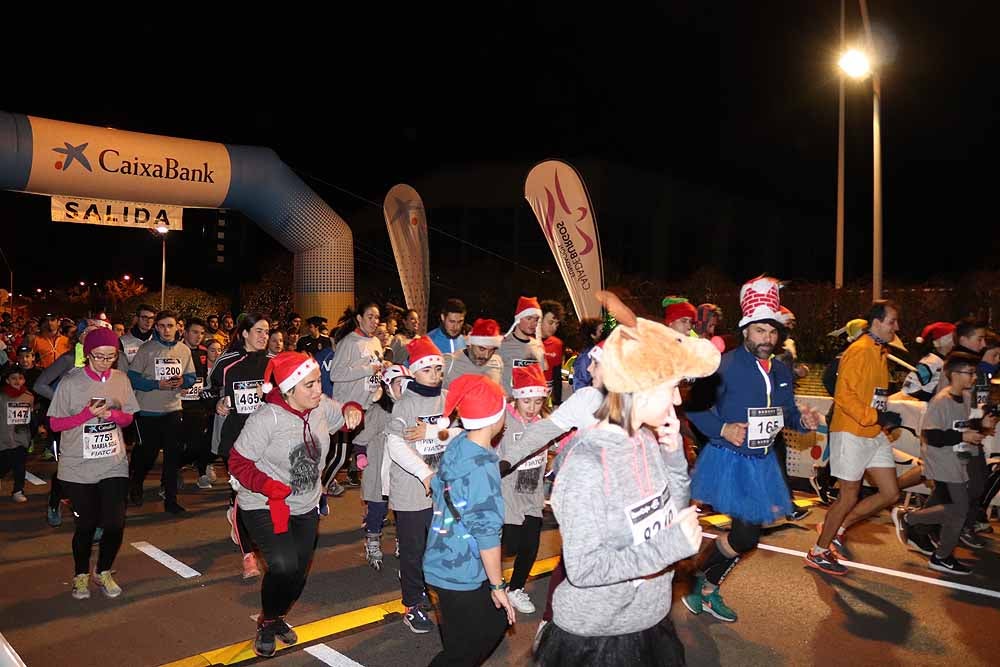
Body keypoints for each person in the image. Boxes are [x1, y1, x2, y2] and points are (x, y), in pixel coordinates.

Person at [535, 290, 719, 666]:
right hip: (599, 639)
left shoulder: (648, 441)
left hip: (651, 622)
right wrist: (670, 547)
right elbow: (585, 570)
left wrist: (673, 460)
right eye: (672, 388)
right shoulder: (587, 465)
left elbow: (674, 507)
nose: (678, 401)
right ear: (642, 387)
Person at [685, 277, 823, 621]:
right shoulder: (723, 364)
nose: (767, 339)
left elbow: (785, 412)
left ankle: (705, 585)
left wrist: (802, 420)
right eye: (760, 331)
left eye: (772, 332)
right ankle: (697, 577)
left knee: (747, 535)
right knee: (746, 535)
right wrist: (723, 428)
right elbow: (695, 409)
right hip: (730, 460)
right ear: (746, 330)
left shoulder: (780, 370)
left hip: (762, 462)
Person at [227, 351, 361, 657]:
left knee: (298, 572)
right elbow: (237, 462)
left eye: (318, 383)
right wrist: (266, 485)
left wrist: (353, 410)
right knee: (283, 565)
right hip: (264, 502)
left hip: (305, 503)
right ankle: (267, 622)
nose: (318, 390)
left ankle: (274, 617)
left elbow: (346, 412)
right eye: (310, 385)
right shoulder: (267, 418)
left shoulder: (320, 406)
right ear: (289, 389)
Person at [423, 374, 515, 665]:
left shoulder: (460, 445)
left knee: (461, 636)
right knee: (468, 646)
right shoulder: (482, 468)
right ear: (495, 417)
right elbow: (487, 534)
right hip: (461, 570)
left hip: (440, 557)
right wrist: (497, 585)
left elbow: (439, 486)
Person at [808, 300, 903, 574]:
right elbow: (844, 394)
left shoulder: (880, 352)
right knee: (848, 496)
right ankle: (818, 550)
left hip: (873, 432)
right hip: (850, 431)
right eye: (892, 321)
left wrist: (882, 417)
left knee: (890, 492)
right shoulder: (859, 351)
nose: (896, 327)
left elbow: (874, 395)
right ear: (876, 322)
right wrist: (875, 416)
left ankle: (839, 527)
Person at [48, 327, 139, 599]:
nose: (104, 361)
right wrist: (86, 415)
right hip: (78, 464)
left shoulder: (121, 379)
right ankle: (80, 575)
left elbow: (129, 416)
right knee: (86, 524)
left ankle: (104, 571)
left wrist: (112, 415)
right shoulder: (71, 381)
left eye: (110, 357)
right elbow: (54, 423)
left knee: (114, 522)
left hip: (113, 461)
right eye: (98, 356)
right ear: (87, 354)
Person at [891, 351, 992, 575]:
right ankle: (940, 555)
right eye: (969, 373)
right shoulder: (941, 401)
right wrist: (963, 437)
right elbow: (932, 436)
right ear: (954, 374)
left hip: (957, 459)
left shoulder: (965, 398)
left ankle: (909, 517)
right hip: (942, 460)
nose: (973, 377)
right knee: (960, 509)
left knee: (957, 510)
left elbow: (966, 425)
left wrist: (982, 424)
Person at [385, 337, 445, 634]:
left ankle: (435, 590)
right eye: (428, 369)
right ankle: (412, 604)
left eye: (438, 368)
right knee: (413, 550)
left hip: (442, 490)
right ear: (414, 371)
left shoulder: (447, 398)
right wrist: (423, 473)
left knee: (439, 545)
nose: (434, 374)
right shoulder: (405, 404)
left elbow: (463, 430)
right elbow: (395, 443)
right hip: (411, 493)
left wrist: (435, 429)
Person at [209, 313, 273, 578]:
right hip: (236, 440)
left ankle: (245, 525)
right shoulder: (227, 361)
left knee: (265, 496)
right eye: (258, 331)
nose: (263, 336)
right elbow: (208, 389)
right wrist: (217, 403)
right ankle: (249, 556)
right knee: (243, 497)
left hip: (268, 440)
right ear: (244, 333)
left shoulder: (273, 363)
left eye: (267, 332)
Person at [127, 311, 196, 514]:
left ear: (177, 328)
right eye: (163, 326)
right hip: (148, 411)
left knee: (173, 457)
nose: (167, 330)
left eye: (170, 326)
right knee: (147, 456)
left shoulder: (184, 350)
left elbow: (191, 376)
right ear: (156, 327)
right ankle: (136, 483)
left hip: (173, 410)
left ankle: (171, 499)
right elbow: (132, 378)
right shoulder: (146, 350)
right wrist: (157, 384)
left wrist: (183, 381)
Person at [498, 365, 552, 615]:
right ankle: (487, 577)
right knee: (510, 545)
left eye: (538, 401)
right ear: (516, 398)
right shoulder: (504, 421)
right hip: (507, 493)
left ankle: (515, 588)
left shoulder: (545, 424)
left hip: (532, 492)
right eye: (527, 401)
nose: (532, 407)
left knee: (530, 544)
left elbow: (561, 445)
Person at [325, 302, 384, 497]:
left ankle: (373, 504)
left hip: (369, 407)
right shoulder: (348, 342)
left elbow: (375, 370)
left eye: (377, 318)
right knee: (340, 457)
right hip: (347, 408)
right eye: (370, 317)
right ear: (359, 318)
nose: (375, 321)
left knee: (371, 456)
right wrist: (367, 369)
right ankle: (317, 492)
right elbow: (335, 374)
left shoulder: (376, 342)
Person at [356, 364, 411, 569]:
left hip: (402, 467)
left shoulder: (411, 408)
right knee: (378, 508)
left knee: (404, 508)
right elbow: (362, 439)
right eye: (399, 384)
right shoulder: (379, 411)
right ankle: (372, 540)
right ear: (387, 387)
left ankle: (402, 539)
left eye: (408, 383)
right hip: (380, 466)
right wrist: (361, 456)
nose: (404, 388)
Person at [499, 296, 547, 395]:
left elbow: (541, 378)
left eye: (536, 319)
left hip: (530, 405)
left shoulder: (538, 347)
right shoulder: (502, 345)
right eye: (529, 318)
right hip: (508, 404)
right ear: (518, 319)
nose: (533, 323)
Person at [0, 364, 34, 503]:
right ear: (7, 380)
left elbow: (30, 416)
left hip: (21, 437)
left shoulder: (28, 397)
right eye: (13, 378)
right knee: (4, 464)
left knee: (20, 465)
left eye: (20, 378)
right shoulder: (1, 396)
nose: (17, 381)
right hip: (3, 437)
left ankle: (18, 490)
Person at [900, 322, 956, 400]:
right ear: (941, 341)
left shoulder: (939, 360)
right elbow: (910, 386)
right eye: (951, 338)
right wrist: (926, 399)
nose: (954, 342)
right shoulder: (931, 361)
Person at [442, 318, 504, 389]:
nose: (486, 356)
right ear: (470, 344)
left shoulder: (497, 362)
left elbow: (500, 394)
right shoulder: (449, 362)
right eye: (482, 349)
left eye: (491, 350)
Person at [539, 301, 565, 405]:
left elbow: (557, 375)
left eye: (557, 323)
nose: (554, 327)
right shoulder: (526, 341)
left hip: (545, 399)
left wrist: (557, 402)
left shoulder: (557, 344)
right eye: (550, 323)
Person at [118, 304, 157, 369]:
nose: (148, 321)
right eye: (144, 317)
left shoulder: (158, 339)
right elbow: (121, 370)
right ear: (137, 318)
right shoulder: (123, 341)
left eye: (151, 318)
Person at [571, 317, 603, 390]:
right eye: (600, 331)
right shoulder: (586, 356)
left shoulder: (593, 352)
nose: (603, 334)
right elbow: (580, 383)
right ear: (592, 335)